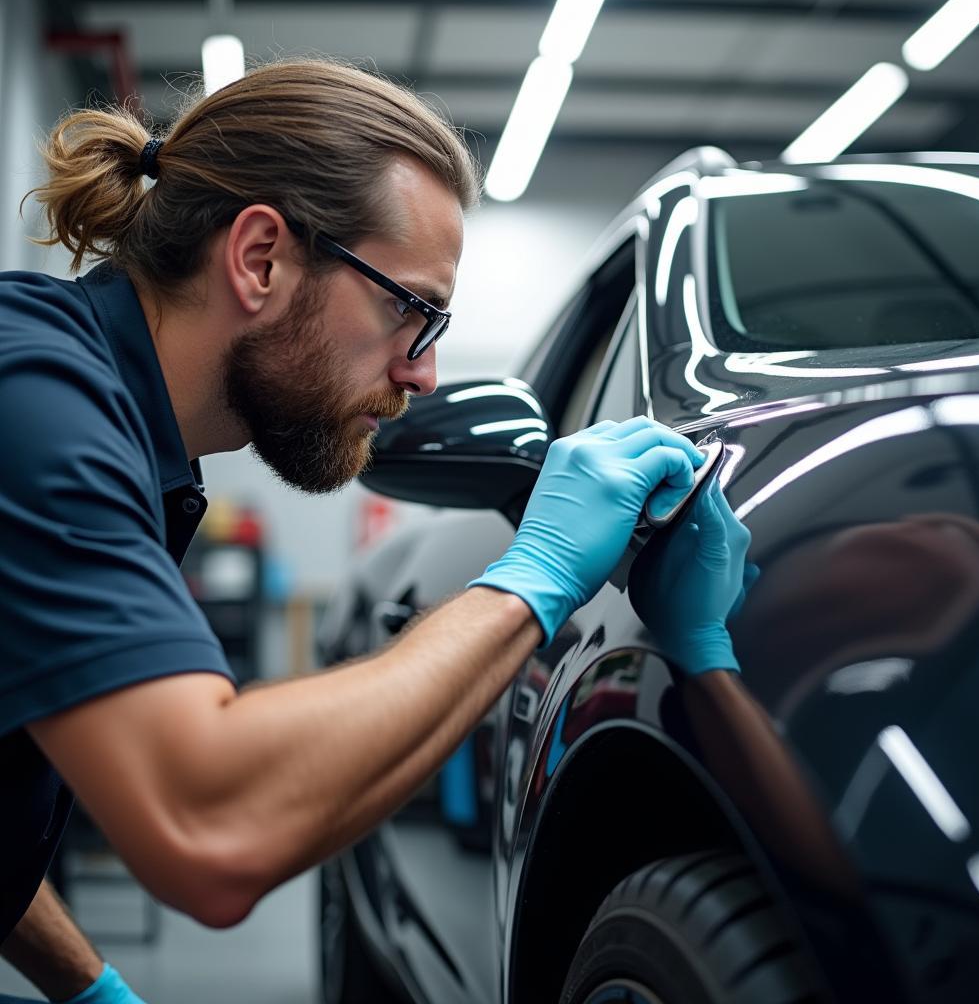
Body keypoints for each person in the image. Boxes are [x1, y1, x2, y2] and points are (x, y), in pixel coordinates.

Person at [0, 59, 720, 1002]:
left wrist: (87, 988)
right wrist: (536, 576)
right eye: (411, 311)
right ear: (260, 259)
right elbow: (208, 824)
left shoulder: (110, 427)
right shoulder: (35, 405)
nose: (424, 376)